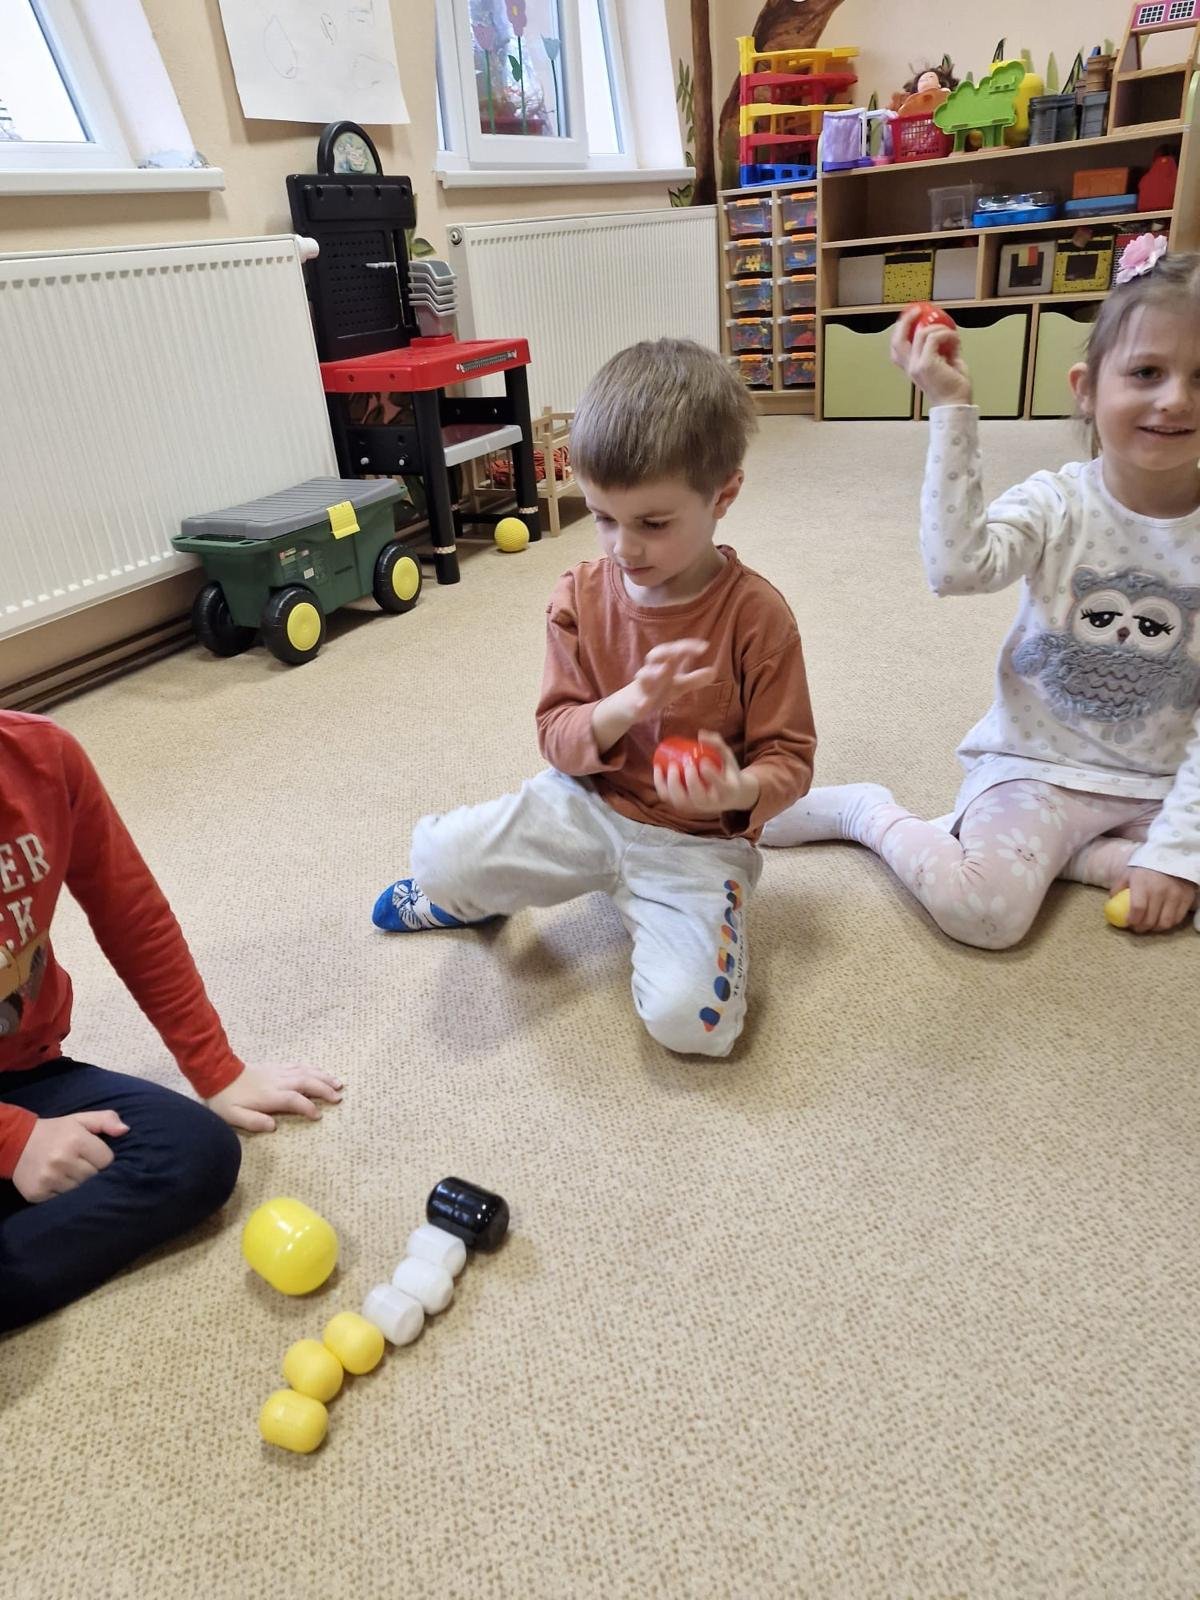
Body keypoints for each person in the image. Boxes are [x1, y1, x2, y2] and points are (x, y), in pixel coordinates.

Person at [373, 338, 816, 1055]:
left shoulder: (758, 617)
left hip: (695, 848)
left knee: (695, 1026)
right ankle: (480, 900)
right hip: (586, 804)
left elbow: (790, 759)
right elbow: (556, 736)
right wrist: (628, 704)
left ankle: (674, 909)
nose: (622, 548)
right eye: (603, 516)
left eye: (652, 523)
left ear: (723, 496)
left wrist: (737, 789)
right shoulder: (579, 595)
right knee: (437, 861)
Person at [763, 239, 1200, 947]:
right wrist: (950, 407)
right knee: (983, 911)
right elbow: (956, 568)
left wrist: (1177, 851)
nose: (1176, 399)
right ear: (1087, 389)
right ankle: (866, 813)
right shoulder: (1057, 502)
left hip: (1165, 780)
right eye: (1147, 372)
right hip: (1039, 768)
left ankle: (1085, 859)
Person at [0, 709, 342, 1332]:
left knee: (195, 1154)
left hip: (24, 1072)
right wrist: (11, 1141)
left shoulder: (45, 757)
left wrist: (217, 1070)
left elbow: (131, 913)